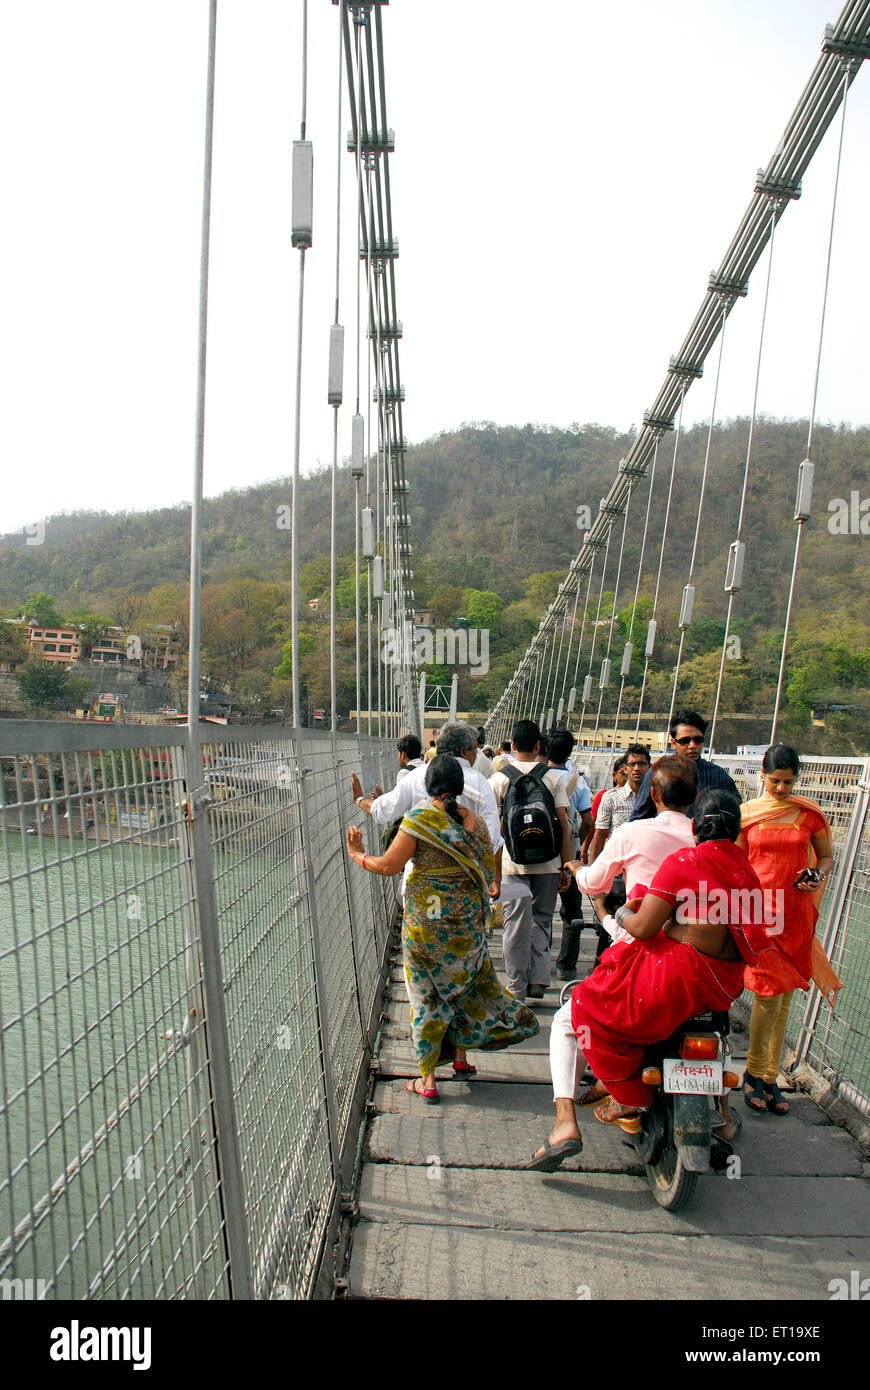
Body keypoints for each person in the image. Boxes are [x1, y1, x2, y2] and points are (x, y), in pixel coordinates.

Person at [525, 790, 770, 1161]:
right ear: (737, 832)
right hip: (721, 986)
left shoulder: (683, 862)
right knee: (716, 1036)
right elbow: (746, 935)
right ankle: (720, 1112)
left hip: (675, 980)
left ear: (695, 826)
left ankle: (569, 1120)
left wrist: (621, 915)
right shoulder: (747, 872)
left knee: (582, 1009)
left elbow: (641, 928)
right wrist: (678, 928)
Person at [346, 755, 539, 1102]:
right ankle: (461, 1059)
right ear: (460, 786)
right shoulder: (476, 823)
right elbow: (484, 862)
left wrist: (357, 853)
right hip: (466, 928)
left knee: (427, 997)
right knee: (461, 987)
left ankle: (428, 1079)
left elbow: (389, 866)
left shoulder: (419, 820)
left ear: (427, 785)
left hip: (426, 929)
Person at [738, 744, 836, 1116]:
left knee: (784, 997)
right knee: (766, 993)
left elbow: (825, 857)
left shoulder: (809, 815)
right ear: (763, 775)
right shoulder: (747, 815)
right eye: (775, 781)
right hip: (760, 915)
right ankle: (755, 1072)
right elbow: (736, 861)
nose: (781, 789)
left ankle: (770, 1075)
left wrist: (818, 874)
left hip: (795, 914)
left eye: (788, 782)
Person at [352, 721, 503, 900]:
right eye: (474, 749)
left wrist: (360, 800)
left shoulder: (416, 784)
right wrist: (495, 880)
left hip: (421, 896)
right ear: (464, 751)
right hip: (465, 896)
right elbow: (493, 839)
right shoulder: (479, 784)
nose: (476, 754)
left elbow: (380, 810)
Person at [489, 720, 573, 1001]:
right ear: (539, 746)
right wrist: (566, 865)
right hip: (549, 864)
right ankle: (538, 979)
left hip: (512, 864)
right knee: (542, 919)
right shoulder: (552, 778)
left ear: (513, 746)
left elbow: (491, 830)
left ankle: (515, 986)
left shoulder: (499, 779)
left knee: (514, 922)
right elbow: (565, 825)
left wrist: (493, 872)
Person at [630, 710, 739, 821]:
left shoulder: (718, 776)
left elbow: (736, 813)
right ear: (673, 742)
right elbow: (638, 817)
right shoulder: (657, 773)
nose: (692, 745)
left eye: (698, 740)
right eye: (685, 741)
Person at [547, 729, 594, 980]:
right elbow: (588, 818)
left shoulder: (540, 777)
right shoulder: (579, 781)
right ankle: (566, 965)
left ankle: (541, 960)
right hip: (570, 855)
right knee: (573, 911)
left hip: (541, 854)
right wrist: (579, 841)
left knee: (542, 911)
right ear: (570, 751)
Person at [587, 745, 651, 861]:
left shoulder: (656, 798)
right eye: (633, 764)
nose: (637, 768)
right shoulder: (611, 798)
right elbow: (599, 835)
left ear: (649, 767)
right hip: (616, 863)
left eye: (642, 764)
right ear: (625, 769)